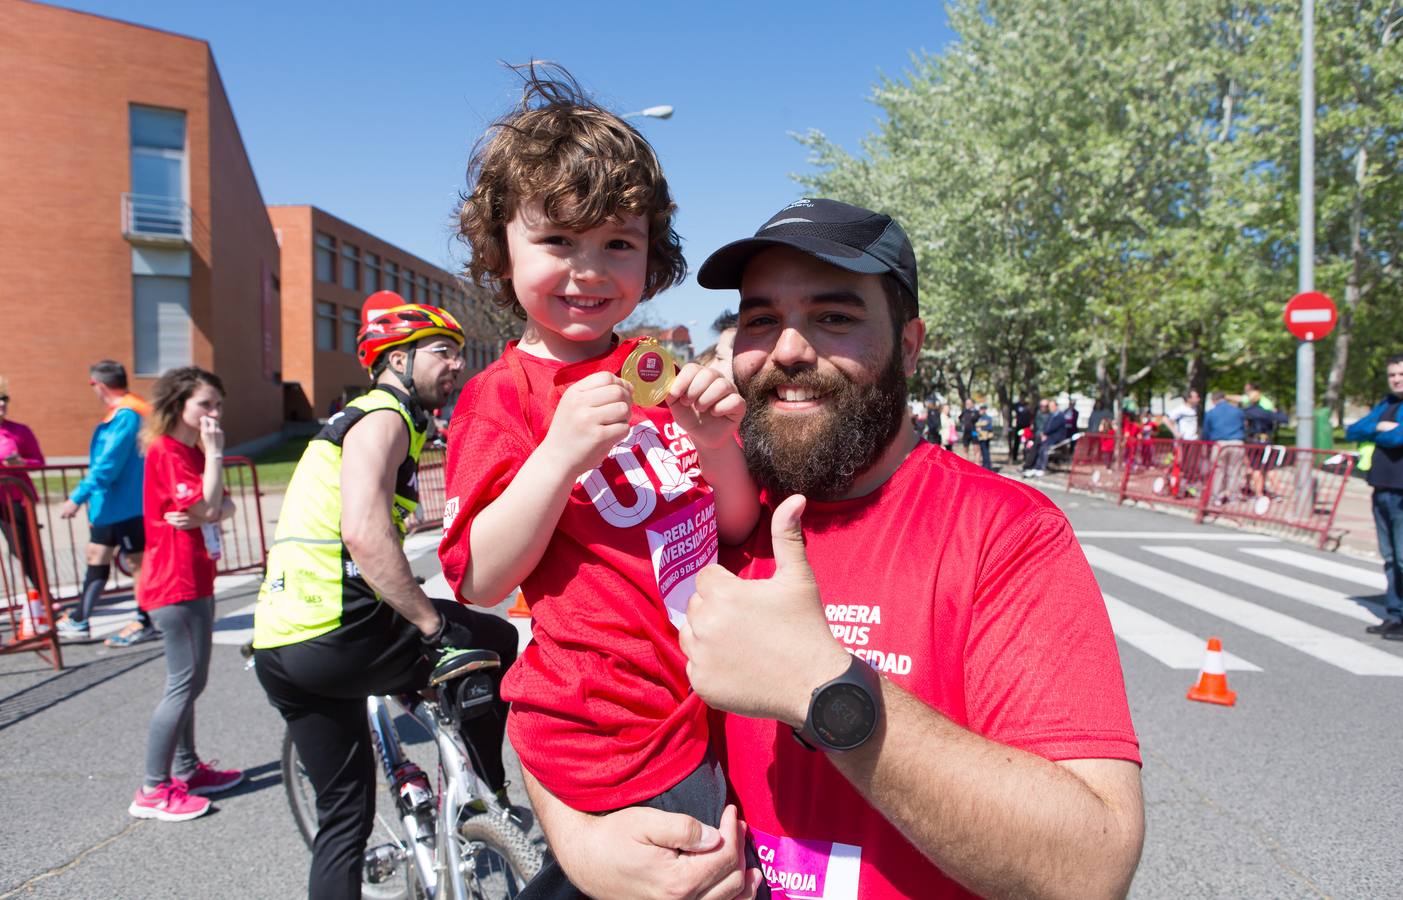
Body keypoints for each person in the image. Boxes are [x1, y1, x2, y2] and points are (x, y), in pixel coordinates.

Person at [525, 199, 1144, 899]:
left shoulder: (1002, 530)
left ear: (908, 345)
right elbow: (558, 682)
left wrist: (822, 685)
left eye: (834, 317)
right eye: (760, 319)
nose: (788, 349)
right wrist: (578, 841)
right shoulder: (694, 502)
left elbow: (1091, 871)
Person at [439, 66, 758, 840]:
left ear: (651, 257)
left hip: (714, 699)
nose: (587, 269)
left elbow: (736, 527)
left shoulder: (656, 370)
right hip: (604, 727)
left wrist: (717, 446)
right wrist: (556, 458)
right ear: (500, 252)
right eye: (556, 240)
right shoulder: (501, 395)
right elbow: (481, 580)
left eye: (617, 242)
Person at [252, 293, 520, 898]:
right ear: (397, 361)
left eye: (457, 352)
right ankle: (491, 792)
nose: (455, 364)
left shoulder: (359, 419)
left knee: (342, 821)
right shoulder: (384, 415)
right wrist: (430, 626)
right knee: (491, 639)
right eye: (441, 352)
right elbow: (364, 534)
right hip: (339, 631)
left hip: (281, 644)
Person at [127, 367, 242, 823]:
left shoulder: (190, 450)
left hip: (196, 576)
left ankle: (187, 768)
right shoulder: (170, 450)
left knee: (192, 681)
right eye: (205, 405)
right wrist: (215, 458)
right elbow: (210, 506)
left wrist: (209, 506)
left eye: (218, 405)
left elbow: (224, 506)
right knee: (184, 683)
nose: (214, 414)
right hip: (174, 583)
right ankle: (153, 788)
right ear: (180, 405)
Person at [56, 361, 156, 644]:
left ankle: (144, 619)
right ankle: (80, 618)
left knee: (137, 562)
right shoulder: (129, 410)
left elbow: (108, 464)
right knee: (96, 555)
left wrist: (77, 496)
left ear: (98, 385)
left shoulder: (127, 414)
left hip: (127, 504)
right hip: (112, 505)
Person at [1346, 353, 1403, 639]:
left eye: (1401, 374)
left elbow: (1399, 438)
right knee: (1391, 557)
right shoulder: (1386, 404)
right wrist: (1378, 428)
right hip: (1382, 488)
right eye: (1392, 374)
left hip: (1401, 492)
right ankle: (1395, 614)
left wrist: (1378, 433)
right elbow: (1353, 429)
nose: (1396, 379)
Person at [0, 376, 46, 591]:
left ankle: (44, 595)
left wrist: (22, 462)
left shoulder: (20, 431)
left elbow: (39, 462)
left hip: (14, 500)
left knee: (23, 549)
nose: (2, 403)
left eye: (4, 398)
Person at [1202, 390, 1246, 504]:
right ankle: (1233, 496)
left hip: (1220, 444)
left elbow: (1206, 431)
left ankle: (1217, 496)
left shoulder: (1211, 412)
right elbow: (1243, 426)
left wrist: (1206, 444)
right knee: (1235, 470)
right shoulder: (1237, 411)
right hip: (1236, 442)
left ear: (1214, 400)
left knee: (1218, 471)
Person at [1023, 397, 1066, 478]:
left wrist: (1044, 434)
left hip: (1055, 437)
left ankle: (1039, 467)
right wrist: (1043, 434)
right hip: (1047, 436)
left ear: (1056, 406)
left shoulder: (1059, 416)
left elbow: (1052, 427)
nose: (1050, 408)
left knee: (1043, 447)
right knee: (1035, 445)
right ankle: (1033, 466)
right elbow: (1046, 426)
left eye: (1051, 406)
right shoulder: (1051, 415)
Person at [974, 402, 995, 470]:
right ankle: (985, 464)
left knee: (986, 451)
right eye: (981, 409)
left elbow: (989, 427)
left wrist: (981, 427)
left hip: (986, 437)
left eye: (983, 409)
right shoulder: (979, 417)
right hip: (980, 436)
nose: (982, 410)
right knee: (983, 451)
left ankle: (987, 466)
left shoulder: (987, 417)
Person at [957, 398, 979, 462]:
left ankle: (977, 465)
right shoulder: (964, 411)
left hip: (974, 432)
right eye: (966, 403)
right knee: (965, 450)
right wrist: (962, 425)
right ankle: (965, 466)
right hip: (966, 433)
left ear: (973, 404)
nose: (967, 405)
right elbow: (960, 418)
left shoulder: (976, 412)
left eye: (969, 403)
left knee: (976, 449)